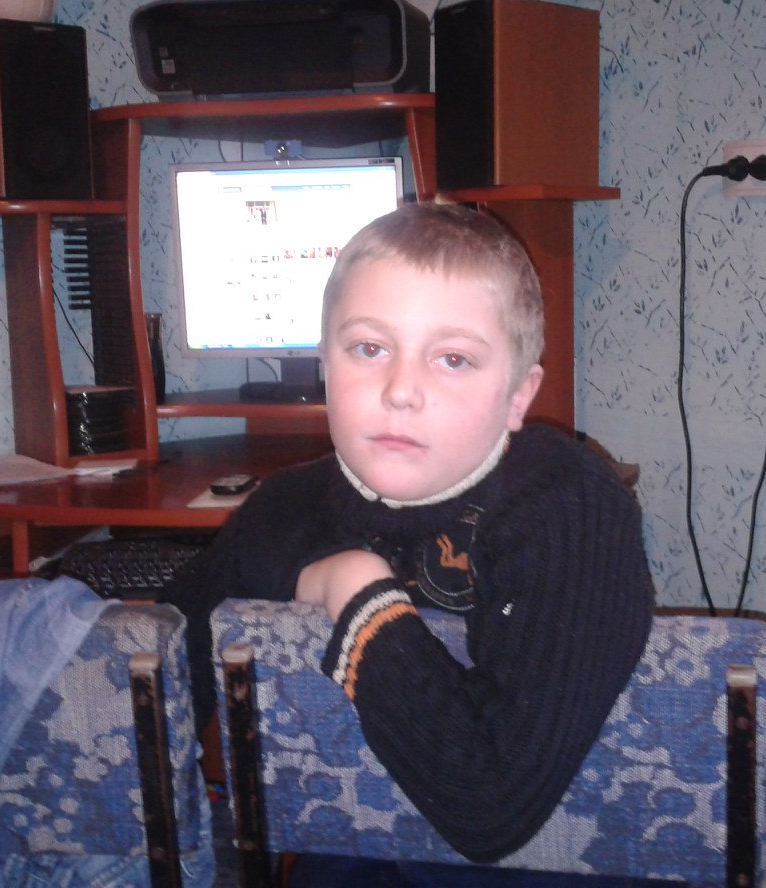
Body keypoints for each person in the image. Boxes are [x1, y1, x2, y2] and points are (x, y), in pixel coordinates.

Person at [165, 202, 654, 870]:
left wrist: (355, 588)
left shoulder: (568, 507)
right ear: (325, 365)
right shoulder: (283, 507)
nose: (401, 390)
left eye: (452, 359)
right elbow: (152, 679)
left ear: (518, 395)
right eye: (369, 349)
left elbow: (490, 807)